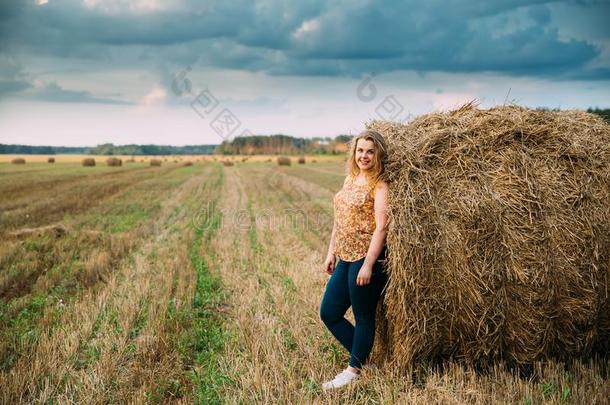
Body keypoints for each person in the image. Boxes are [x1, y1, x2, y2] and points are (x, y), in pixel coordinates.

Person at [320, 129, 389, 390]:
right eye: (360, 150)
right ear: (354, 152)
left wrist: (369, 264)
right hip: (345, 256)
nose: (364, 156)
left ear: (378, 154)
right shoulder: (350, 179)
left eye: (370, 151)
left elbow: (381, 227)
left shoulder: (379, 185)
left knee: (363, 316)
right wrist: (331, 251)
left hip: (364, 257)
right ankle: (362, 355)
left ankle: (353, 369)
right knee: (329, 312)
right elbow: (341, 220)